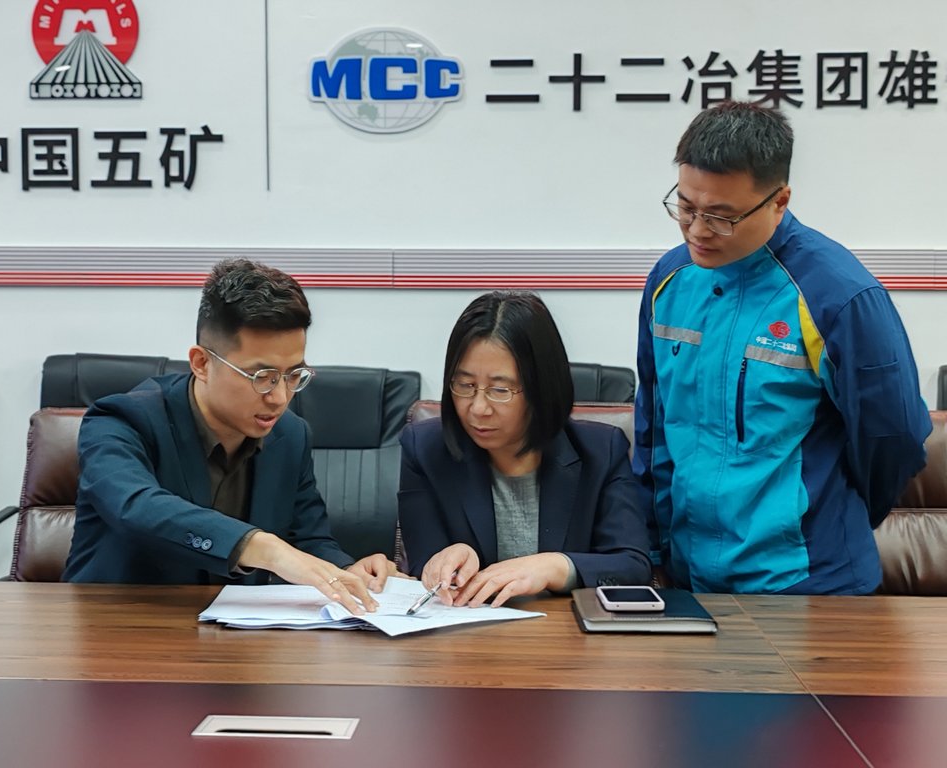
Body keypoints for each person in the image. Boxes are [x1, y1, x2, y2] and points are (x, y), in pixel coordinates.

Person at [634, 101, 931, 595]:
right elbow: (653, 432)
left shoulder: (838, 295)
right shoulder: (670, 281)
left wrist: (830, 518)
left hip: (809, 584)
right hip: (689, 578)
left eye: (722, 217)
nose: (698, 230)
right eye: (685, 207)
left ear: (779, 200)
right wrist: (652, 550)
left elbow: (893, 438)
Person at [64, 259, 397, 614]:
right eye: (262, 377)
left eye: (293, 375)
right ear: (201, 364)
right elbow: (135, 507)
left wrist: (346, 569)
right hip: (121, 627)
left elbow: (307, 540)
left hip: (235, 635)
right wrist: (262, 547)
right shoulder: (120, 421)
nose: (280, 397)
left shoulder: (289, 434)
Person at [398, 291, 651, 608]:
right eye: (465, 385)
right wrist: (445, 561)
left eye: (500, 389)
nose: (478, 408)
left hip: (568, 634)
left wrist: (554, 566)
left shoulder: (601, 452)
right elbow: (422, 563)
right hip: (467, 634)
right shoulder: (425, 449)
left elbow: (633, 566)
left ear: (541, 387)